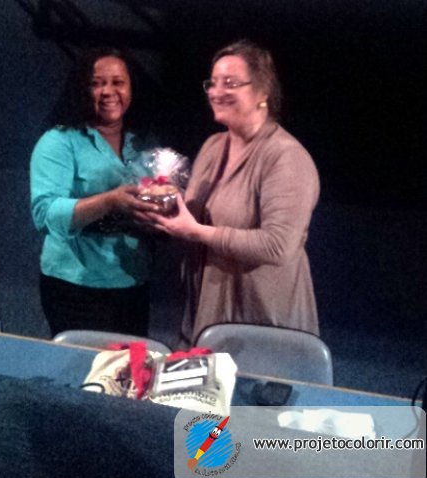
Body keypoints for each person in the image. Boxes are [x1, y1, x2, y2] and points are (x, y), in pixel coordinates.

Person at [147, 40, 320, 346]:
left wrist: (197, 232)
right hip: (205, 309)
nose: (216, 92)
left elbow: (278, 246)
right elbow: (193, 219)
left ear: (263, 92)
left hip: (260, 319)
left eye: (230, 83)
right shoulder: (213, 146)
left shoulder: (286, 157)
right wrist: (161, 204)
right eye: (212, 83)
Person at [30, 47, 159, 337]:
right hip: (75, 286)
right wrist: (110, 201)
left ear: (132, 88)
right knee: (83, 365)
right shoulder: (59, 141)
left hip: (132, 281)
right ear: (82, 89)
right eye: (97, 83)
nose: (108, 91)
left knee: (129, 364)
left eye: (118, 82)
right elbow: (45, 214)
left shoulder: (142, 143)